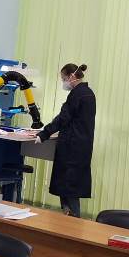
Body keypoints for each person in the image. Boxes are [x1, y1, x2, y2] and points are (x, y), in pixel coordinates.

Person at [35, 63, 96, 218]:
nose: (63, 82)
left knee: (69, 188)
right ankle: (70, 218)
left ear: (71, 76)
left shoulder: (77, 94)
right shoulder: (88, 93)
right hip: (81, 146)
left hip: (72, 147)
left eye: (63, 78)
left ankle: (72, 220)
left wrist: (44, 134)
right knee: (71, 187)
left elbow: (63, 118)